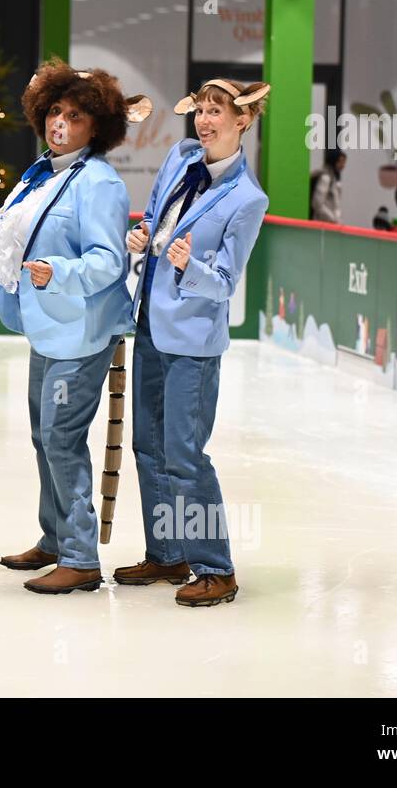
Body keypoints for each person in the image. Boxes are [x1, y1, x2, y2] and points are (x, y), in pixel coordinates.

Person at [0, 59, 145, 594]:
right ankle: (54, 537)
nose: (60, 123)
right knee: (45, 437)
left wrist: (58, 272)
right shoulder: (42, 171)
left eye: (74, 116)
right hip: (48, 325)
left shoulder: (100, 183)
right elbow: (30, 229)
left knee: (62, 439)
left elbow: (108, 261)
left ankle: (81, 557)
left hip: (81, 330)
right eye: (55, 112)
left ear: (98, 127)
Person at [112, 78, 270, 608]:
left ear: (242, 121)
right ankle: (167, 553)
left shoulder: (248, 199)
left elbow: (225, 282)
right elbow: (156, 219)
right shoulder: (180, 158)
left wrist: (188, 264)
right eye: (200, 110)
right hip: (151, 324)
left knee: (184, 453)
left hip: (194, 342)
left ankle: (215, 567)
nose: (204, 121)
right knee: (148, 447)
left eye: (216, 112)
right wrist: (143, 235)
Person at [310, 149, 346, 223]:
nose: (343, 166)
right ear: (334, 161)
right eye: (340, 162)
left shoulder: (333, 178)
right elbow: (317, 204)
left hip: (329, 223)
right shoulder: (325, 178)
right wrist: (333, 219)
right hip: (321, 223)